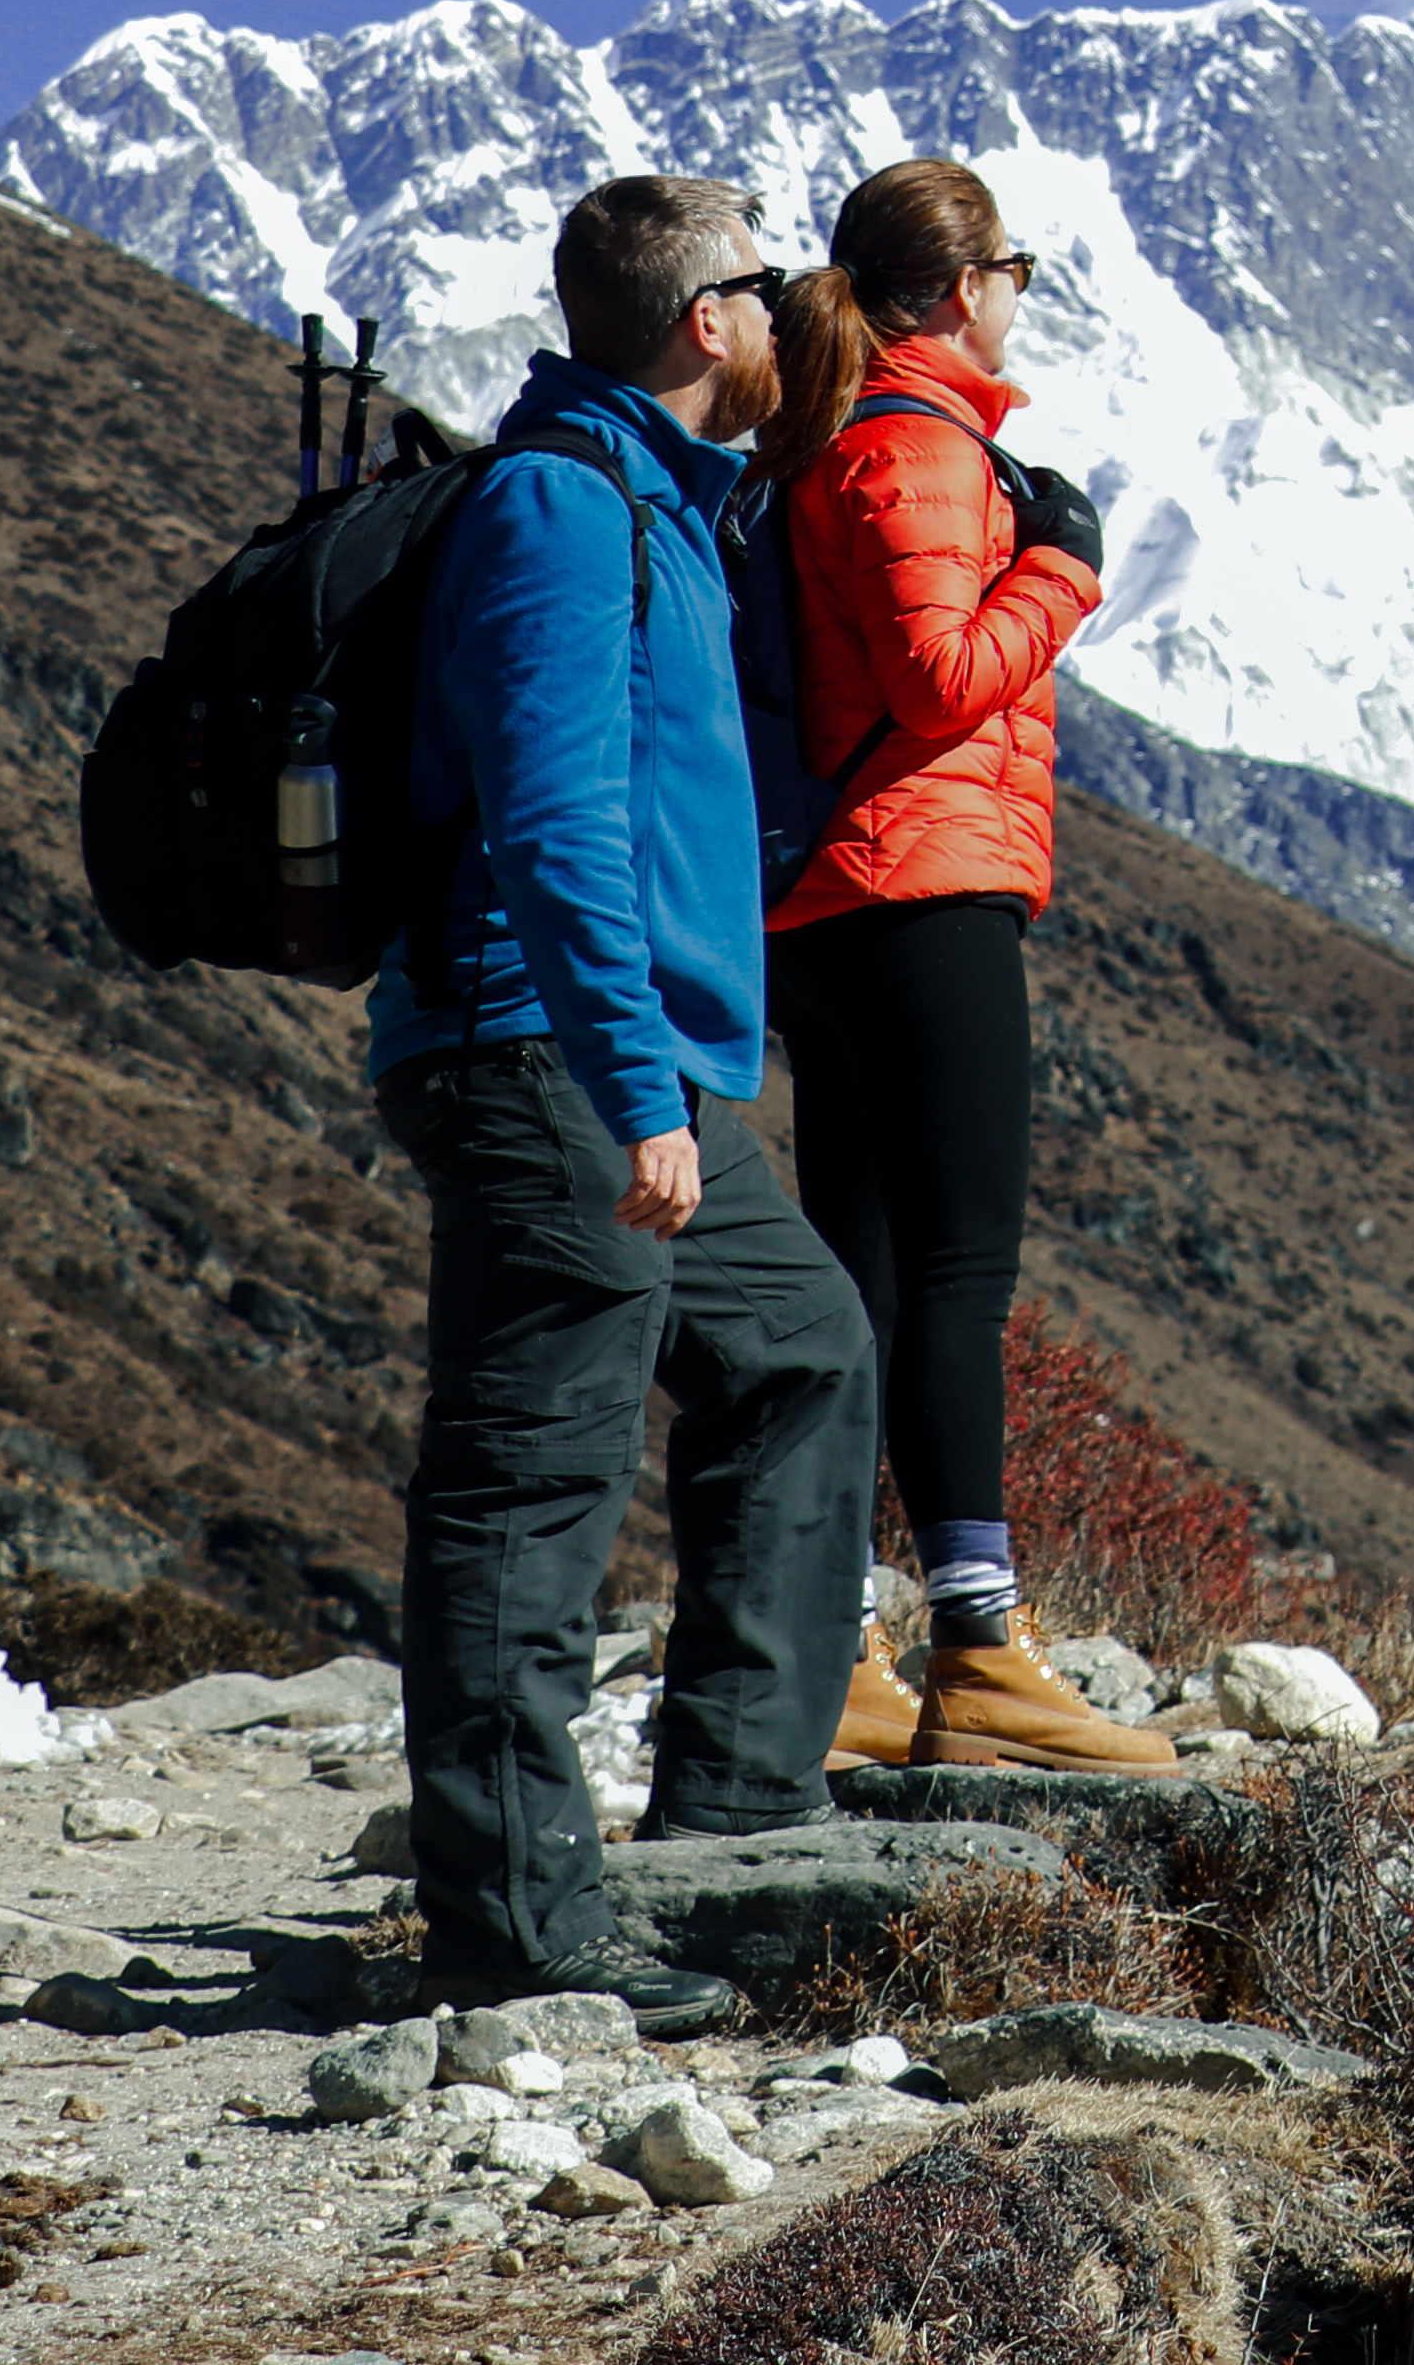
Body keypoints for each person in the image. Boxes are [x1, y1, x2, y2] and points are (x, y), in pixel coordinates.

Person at [377, 172, 879, 2029]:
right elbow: (555, 819)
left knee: (802, 1345)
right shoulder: (560, 510)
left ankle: (736, 1827)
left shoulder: (669, 506)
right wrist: (635, 1083)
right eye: (765, 290)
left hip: (627, 1060)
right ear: (700, 322)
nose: (787, 318)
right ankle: (514, 1927)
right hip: (545, 1053)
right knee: (529, 1474)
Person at [757, 154, 1176, 1774]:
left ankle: (840, 1645)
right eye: (1011, 270)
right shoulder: (919, 451)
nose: (1017, 298)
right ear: (951, 289)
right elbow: (940, 681)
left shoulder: (831, 442)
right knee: (954, 1278)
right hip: (926, 892)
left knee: (860, 1282)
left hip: (832, 908)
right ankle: (981, 1654)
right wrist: (1061, 567)